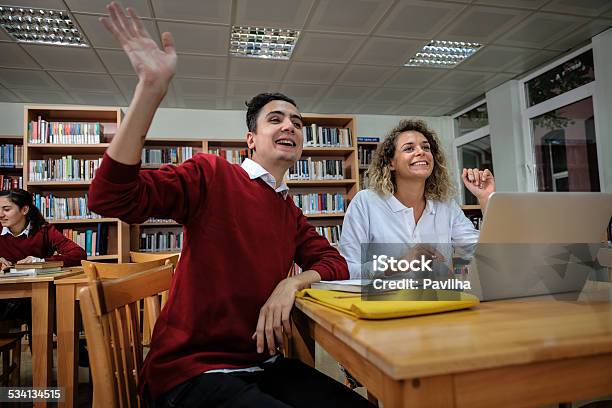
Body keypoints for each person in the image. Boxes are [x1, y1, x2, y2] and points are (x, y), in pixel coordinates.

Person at [88, 3, 373, 407]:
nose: (289, 125)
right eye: (275, 119)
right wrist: (150, 90)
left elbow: (334, 262)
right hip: (190, 372)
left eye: (296, 121)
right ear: (251, 140)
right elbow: (110, 197)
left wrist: (291, 282)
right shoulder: (212, 175)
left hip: (262, 365)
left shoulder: (288, 210)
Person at [339, 119, 495, 279]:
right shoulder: (366, 202)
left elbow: (486, 255)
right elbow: (348, 269)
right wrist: (397, 264)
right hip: (385, 301)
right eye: (409, 148)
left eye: (426, 147)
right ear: (391, 163)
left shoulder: (446, 205)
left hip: (439, 300)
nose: (421, 152)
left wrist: (486, 199)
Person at [0, 188, 87, 323]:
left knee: (49, 308)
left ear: (24, 210)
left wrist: (41, 261)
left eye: (6, 209)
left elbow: (79, 254)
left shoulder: (44, 230)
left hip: (37, 292)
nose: (0, 214)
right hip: (5, 294)